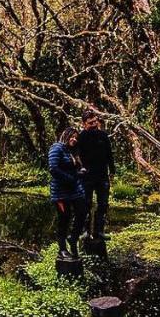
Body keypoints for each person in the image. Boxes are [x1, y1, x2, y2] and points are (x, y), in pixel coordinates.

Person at [75, 109, 115, 241]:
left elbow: (109, 154)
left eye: (95, 121)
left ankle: (99, 231)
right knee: (86, 204)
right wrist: (80, 169)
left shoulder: (103, 135)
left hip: (102, 175)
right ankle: (85, 231)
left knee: (103, 204)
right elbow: (76, 155)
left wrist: (112, 171)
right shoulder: (80, 137)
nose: (94, 124)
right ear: (84, 124)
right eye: (90, 122)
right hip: (87, 177)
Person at [48, 126, 87, 259]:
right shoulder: (56, 148)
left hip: (74, 190)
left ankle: (73, 237)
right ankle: (62, 249)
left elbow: (74, 168)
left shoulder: (72, 151)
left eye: (76, 138)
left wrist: (80, 171)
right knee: (64, 219)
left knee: (82, 212)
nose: (74, 139)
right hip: (60, 192)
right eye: (72, 136)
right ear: (66, 135)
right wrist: (71, 177)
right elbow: (53, 168)